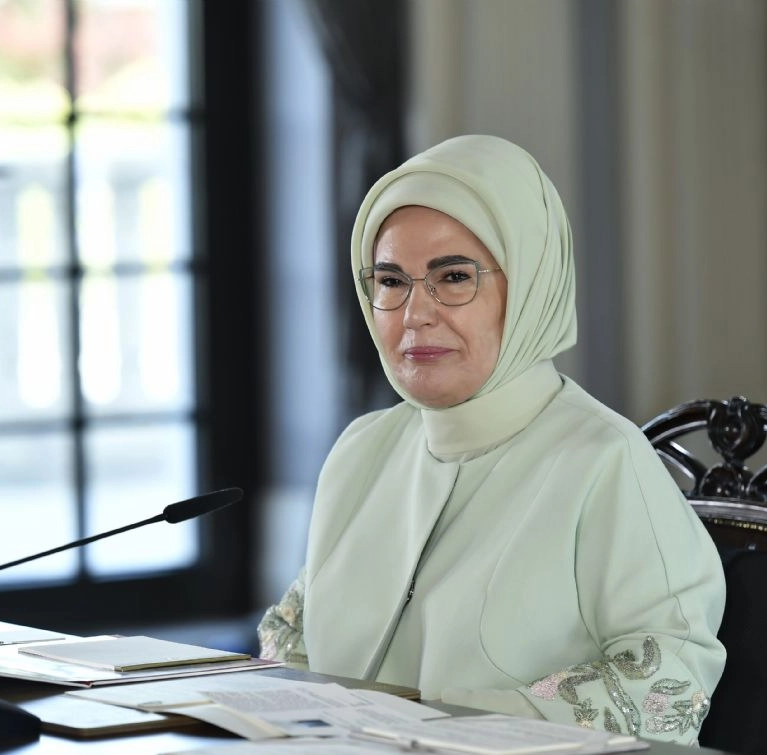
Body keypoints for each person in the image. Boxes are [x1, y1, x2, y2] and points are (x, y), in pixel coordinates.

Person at [258, 134, 726, 745]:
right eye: (391, 281)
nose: (414, 314)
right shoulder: (362, 451)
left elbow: (668, 685)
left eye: (453, 277)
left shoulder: (604, 460)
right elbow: (291, 640)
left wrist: (446, 725)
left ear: (530, 286)